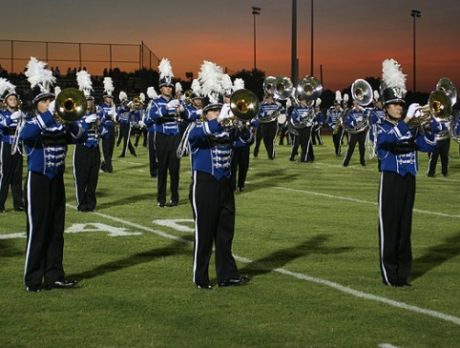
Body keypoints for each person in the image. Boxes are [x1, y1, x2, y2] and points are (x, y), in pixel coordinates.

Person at [21, 57, 88, 292]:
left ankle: (54, 275)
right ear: (37, 105)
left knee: (57, 229)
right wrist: (49, 115)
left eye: (51, 99)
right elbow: (25, 137)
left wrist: (68, 119)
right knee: (38, 228)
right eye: (45, 101)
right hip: (38, 180)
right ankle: (32, 278)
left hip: (56, 180)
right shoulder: (33, 122)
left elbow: (82, 135)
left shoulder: (61, 123)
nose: (50, 103)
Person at [376, 58, 440, 287]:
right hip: (390, 180)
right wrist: (407, 121)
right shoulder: (381, 125)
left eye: (401, 105)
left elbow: (429, 146)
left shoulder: (410, 127)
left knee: (405, 228)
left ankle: (403, 273)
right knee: (389, 227)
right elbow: (383, 142)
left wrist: (435, 125)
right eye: (394, 104)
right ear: (386, 107)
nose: (399, 107)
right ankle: (389, 273)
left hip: (409, 180)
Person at [188, 60, 251, 289]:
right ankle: (201, 277)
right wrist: (219, 123)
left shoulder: (228, 128)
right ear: (206, 113)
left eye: (219, 109)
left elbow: (244, 144)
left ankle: (227, 274)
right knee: (204, 233)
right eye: (214, 110)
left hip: (225, 184)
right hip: (204, 184)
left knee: (225, 233)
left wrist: (243, 126)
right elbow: (194, 139)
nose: (219, 113)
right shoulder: (197, 127)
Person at [145, 58, 182, 207]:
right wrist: (165, 109)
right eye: (165, 86)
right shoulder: (154, 102)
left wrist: (183, 110)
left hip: (175, 138)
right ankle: (161, 199)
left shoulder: (177, 101)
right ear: (160, 88)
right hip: (161, 137)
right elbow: (148, 119)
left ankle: (174, 198)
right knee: (162, 169)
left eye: (170, 86)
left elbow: (185, 117)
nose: (168, 88)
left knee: (175, 169)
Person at [73, 70, 100, 212]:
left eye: (90, 100)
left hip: (95, 149)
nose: (89, 102)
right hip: (82, 149)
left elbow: (102, 133)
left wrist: (106, 127)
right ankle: (81, 203)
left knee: (92, 179)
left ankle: (91, 203)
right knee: (81, 178)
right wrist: (85, 123)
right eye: (86, 99)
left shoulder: (97, 114)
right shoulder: (76, 115)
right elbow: (74, 133)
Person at [0, 79, 24, 212]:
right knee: (5, 176)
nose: (13, 100)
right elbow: (2, 126)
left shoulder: (21, 115)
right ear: (6, 101)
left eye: (15, 98)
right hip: (7, 146)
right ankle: (0, 204)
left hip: (18, 147)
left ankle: (18, 203)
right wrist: (11, 118)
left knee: (17, 176)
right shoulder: (2, 114)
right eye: (11, 99)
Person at [254, 93, 284, 159]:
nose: (269, 100)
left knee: (271, 140)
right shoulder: (261, 105)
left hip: (273, 124)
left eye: (271, 98)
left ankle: (271, 155)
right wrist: (263, 103)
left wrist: (279, 113)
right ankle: (269, 152)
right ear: (266, 99)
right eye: (268, 98)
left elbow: (283, 111)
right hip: (264, 124)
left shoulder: (277, 105)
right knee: (265, 139)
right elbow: (257, 113)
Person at [342, 99, 368, 167]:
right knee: (351, 148)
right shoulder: (351, 112)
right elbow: (347, 121)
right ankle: (346, 162)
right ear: (353, 104)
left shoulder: (363, 112)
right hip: (354, 132)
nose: (357, 105)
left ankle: (362, 161)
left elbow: (366, 120)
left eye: (358, 104)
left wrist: (365, 114)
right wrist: (354, 123)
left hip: (362, 132)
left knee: (362, 148)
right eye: (356, 104)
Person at [98, 77, 116, 173]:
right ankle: (109, 167)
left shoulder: (113, 107)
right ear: (104, 98)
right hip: (105, 130)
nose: (110, 99)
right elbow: (98, 119)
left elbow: (116, 119)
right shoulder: (100, 107)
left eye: (111, 97)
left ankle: (104, 165)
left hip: (112, 129)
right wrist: (106, 115)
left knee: (111, 149)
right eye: (108, 97)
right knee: (106, 150)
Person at [116, 91, 137, 157]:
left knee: (126, 139)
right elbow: (121, 110)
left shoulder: (128, 106)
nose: (126, 103)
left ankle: (123, 153)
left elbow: (134, 112)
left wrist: (133, 109)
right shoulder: (120, 107)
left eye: (126, 102)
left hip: (127, 124)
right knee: (127, 139)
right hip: (122, 124)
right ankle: (132, 151)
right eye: (125, 102)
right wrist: (129, 108)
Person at [327, 92, 344, 156]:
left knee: (338, 139)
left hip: (340, 127)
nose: (338, 106)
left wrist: (341, 123)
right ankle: (336, 149)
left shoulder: (342, 112)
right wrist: (332, 126)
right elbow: (329, 120)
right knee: (334, 140)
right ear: (335, 105)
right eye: (337, 105)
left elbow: (344, 119)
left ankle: (338, 151)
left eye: (339, 105)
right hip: (333, 127)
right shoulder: (331, 112)